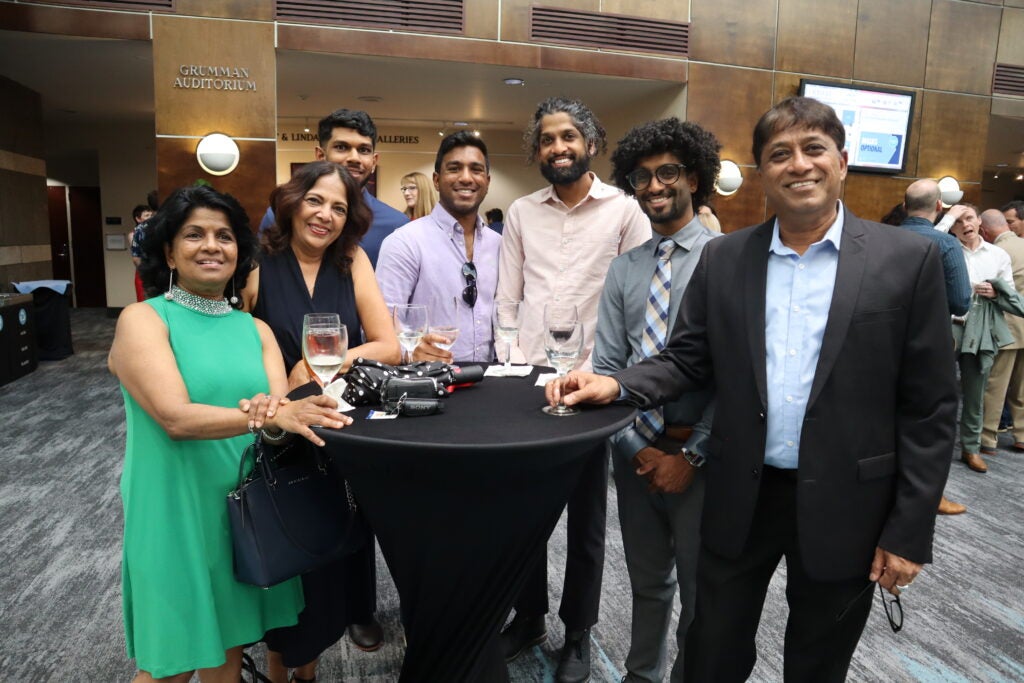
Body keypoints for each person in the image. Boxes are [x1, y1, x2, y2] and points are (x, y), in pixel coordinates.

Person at [547, 96, 958, 682]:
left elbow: (930, 408)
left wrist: (910, 531)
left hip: (847, 501)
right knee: (713, 652)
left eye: (813, 149)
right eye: (780, 155)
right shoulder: (726, 258)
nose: (799, 165)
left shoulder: (908, 260)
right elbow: (686, 359)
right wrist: (615, 383)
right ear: (762, 173)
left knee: (817, 663)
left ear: (842, 162)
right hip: (740, 492)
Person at [109, 185, 351, 683]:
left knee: (226, 649)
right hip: (174, 507)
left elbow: (280, 424)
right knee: (170, 664)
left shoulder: (254, 329)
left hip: (243, 509)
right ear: (168, 252)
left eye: (224, 236)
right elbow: (175, 418)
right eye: (194, 234)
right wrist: (263, 417)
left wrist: (290, 416)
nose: (212, 246)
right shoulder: (144, 320)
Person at [497, 96, 650, 683]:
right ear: (536, 150)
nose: (557, 147)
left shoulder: (626, 211)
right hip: (530, 381)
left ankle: (579, 630)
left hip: (594, 385)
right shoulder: (521, 212)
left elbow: (635, 304)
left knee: (587, 520)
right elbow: (507, 299)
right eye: (547, 139)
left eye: (568, 137)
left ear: (591, 143)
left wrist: (597, 377)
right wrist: (515, 365)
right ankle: (529, 616)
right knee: (522, 514)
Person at [241, 161, 400, 683]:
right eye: (315, 201)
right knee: (285, 558)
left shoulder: (351, 259)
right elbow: (233, 342)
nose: (325, 215)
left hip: (336, 433)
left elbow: (389, 346)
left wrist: (324, 362)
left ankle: (306, 673)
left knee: (327, 567)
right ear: (292, 203)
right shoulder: (258, 262)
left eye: (338, 207)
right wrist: (279, 384)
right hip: (276, 432)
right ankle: (276, 671)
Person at [595, 117, 720, 682]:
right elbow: (609, 368)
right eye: (641, 176)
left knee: (701, 593)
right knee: (647, 584)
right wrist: (634, 447)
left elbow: (740, 379)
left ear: (693, 177)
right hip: (634, 454)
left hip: (703, 459)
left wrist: (692, 454)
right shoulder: (624, 268)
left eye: (668, 172)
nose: (654, 185)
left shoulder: (728, 260)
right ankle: (641, 675)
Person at [376, 132, 500, 363]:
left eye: (476, 170)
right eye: (454, 168)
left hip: (491, 378)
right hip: (428, 379)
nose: (466, 178)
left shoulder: (499, 245)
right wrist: (410, 352)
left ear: (487, 181)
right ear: (436, 180)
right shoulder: (405, 242)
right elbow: (377, 330)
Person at [898, 179, 972, 515]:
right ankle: (931, 496)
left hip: (882, 341)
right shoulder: (945, 244)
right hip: (930, 345)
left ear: (904, 206)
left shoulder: (881, 238)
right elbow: (960, 302)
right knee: (930, 422)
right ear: (940, 206)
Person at [259, 108, 407, 267]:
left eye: (363, 150)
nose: (354, 158)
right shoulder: (282, 215)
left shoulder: (396, 226)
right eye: (342, 147)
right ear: (320, 155)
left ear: (374, 161)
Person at [949, 203, 1023, 476]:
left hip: (981, 328)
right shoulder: (946, 250)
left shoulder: (998, 255)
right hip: (949, 326)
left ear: (979, 220)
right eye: (957, 222)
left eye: (969, 218)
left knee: (976, 391)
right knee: (937, 390)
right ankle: (935, 446)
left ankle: (971, 448)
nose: (965, 225)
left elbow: (1010, 292)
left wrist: (995, 293)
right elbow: (923, 242)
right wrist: (946, 220)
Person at [979, 209, 1024, 456]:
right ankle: (1022, 436)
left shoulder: (996, 252)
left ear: (984, 231)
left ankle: (987, 437)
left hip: (1007, 326)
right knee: (1022, 387)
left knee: (996, 385)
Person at [129, 203, 155, 302]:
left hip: (155, 270)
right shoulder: (133, 235)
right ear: (138, 219)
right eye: (147, 215)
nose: (150, 218)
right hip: (143, 271)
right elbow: (136, 257)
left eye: (151, 215)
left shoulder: (155, 231)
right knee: (144, 300)